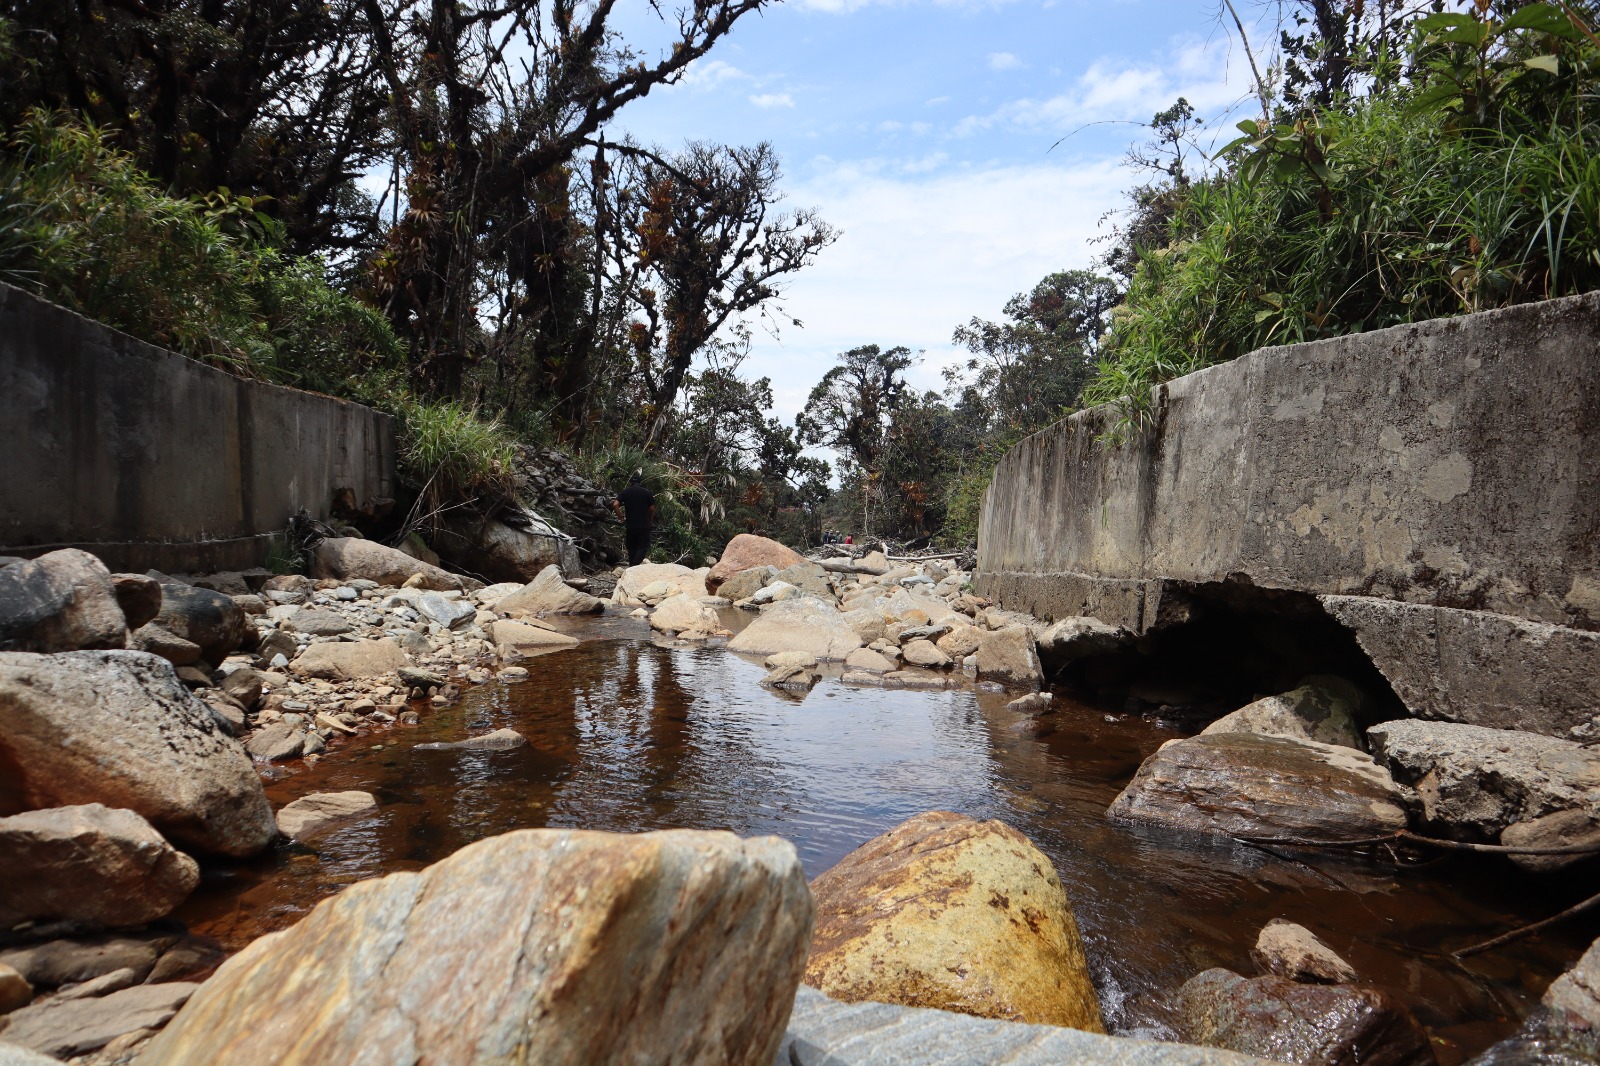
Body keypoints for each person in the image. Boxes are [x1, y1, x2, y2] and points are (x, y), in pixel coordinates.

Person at [613, 471, 656, 566]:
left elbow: (615, 504)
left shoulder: (626, 492)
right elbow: (652, 508)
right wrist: (650, 520)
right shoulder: (646, 492)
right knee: (642, 546)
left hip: (630, 525)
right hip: (643, 525)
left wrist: (620, 517)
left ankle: (632, 567)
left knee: (632, 547)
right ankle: (635, 566)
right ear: (640, 483)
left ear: (630, 483)